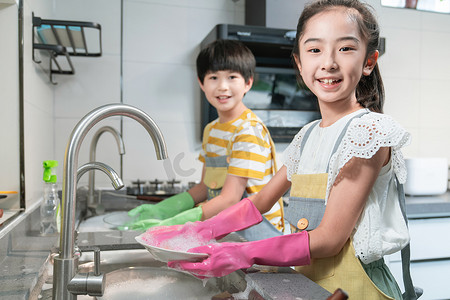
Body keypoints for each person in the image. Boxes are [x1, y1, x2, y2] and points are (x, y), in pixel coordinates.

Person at [146, 0, 419, 299]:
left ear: (369, 61)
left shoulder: (369, 132)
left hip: (356, 289)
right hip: (307, 285)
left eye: (345, 48)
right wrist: (198, 230)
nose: (328, 62)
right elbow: (260, 201)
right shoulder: (307, 136)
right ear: (300, 64)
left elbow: (329, 240)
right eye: (315, 50)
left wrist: (242, 252)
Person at [127, 39, 285, 239]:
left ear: (248, 83)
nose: (222, 87)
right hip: (229, 227)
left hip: (259, 234)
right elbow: (205, 187)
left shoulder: (248, 130)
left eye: (232, 77)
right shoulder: (211, 130)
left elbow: (230, 199)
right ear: (201, 83)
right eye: (213, 77)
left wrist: (177, 223)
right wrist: (166, 209)